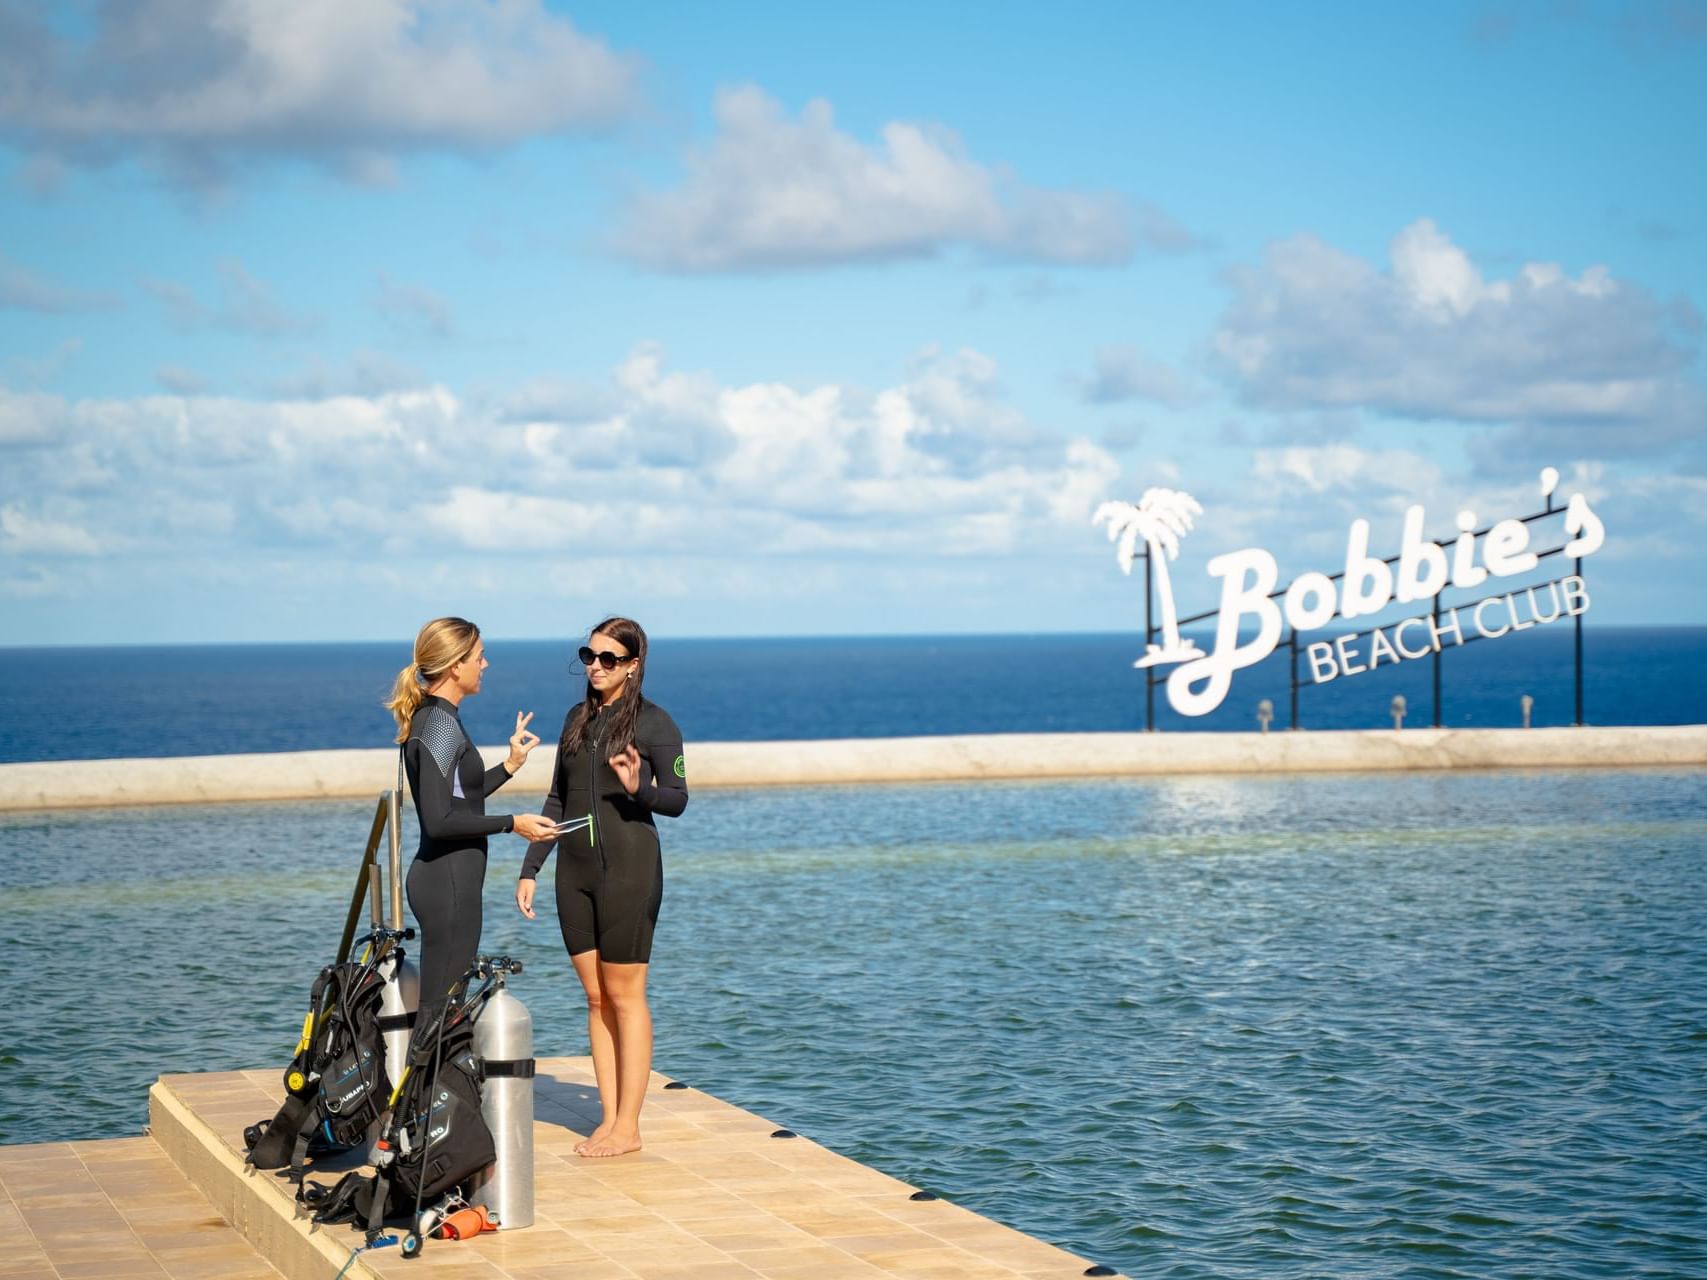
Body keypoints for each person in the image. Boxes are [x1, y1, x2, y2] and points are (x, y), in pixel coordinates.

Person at [515, 617, 687, 1158]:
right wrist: (530, 866)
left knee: (625, 996)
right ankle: (609, 1119)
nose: (595, 666)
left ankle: (629, 1127)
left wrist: (641, 789)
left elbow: (678, 798)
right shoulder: (575, 720)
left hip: (630, 870)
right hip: (576, 872)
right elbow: (556, 800)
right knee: (595, 998)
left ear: (633, 665)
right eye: (589, 655)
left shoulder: (656, 724)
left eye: (609, 658)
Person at [385, 616, 556, 1016]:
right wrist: (513, 823)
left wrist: (510, 765)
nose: (486, 664)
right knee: (440, 1010)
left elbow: (463, 798)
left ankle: (434, 1078)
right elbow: (440, 820)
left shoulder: (439, 718)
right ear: (455, 665)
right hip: (447, 882)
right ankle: (427, 1080)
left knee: (446, 1006)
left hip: (450, 880)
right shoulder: (439, 726)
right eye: (480, 656)